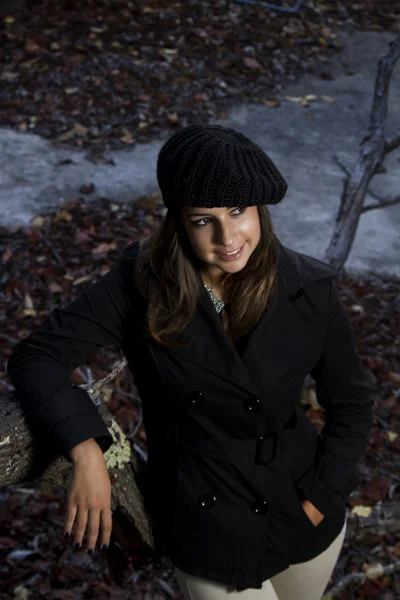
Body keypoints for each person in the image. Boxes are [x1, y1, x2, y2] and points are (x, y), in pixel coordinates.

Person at [6, 124, 375, 599]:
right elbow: (37, 357)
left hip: (301, 509)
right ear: (179, 221)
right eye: (203, 219)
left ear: (259, 207)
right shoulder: (140, 285)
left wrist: (322, 496)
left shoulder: (310, 289)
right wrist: (86, 449)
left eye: (238, 211)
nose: (228, 237)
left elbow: (353, 403)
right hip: (208, 523)